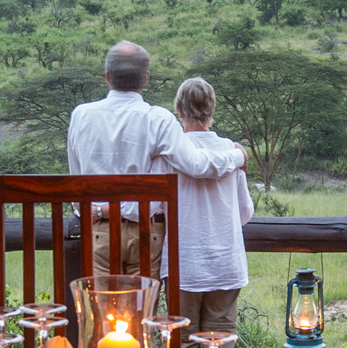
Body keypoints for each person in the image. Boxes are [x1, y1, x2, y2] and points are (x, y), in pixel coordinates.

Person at [66, 40, 240, 277]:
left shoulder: (81, 116)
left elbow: (76, 184)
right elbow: (198, 166)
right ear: (146, 77)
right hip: (146, 233)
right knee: (142, 309)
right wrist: (237, 155)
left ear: (107, 77)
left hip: (99, 232)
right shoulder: (159, 119)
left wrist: (97, 212)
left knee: (102, 311)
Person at [165, 77, 252, 334]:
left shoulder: (169, 152)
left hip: (183, 262)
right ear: (212, 110)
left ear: (179, 111)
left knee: (183, 341)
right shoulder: (231, 151)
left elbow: (156, 208)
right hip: (226, 261)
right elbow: (244, 212)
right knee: (222, 338)